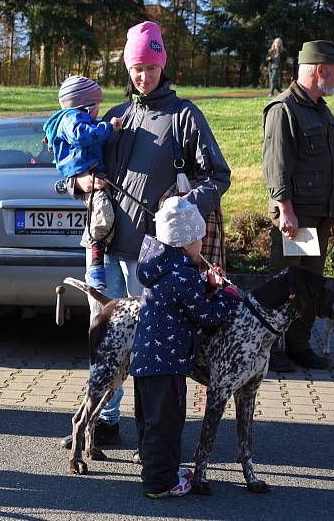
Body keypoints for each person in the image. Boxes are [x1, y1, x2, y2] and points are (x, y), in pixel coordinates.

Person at [62, 21, 232, 449]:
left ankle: (150, 427)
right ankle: (103, 421)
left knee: (149, 344)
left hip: (153, 258)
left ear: (163, 64)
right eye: (136, 67)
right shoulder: (115, 116)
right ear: (127, 66)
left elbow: (218, 176)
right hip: (103, 248)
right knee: (106, 341)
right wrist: (77, 184)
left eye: (150, 67)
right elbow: (68, 168)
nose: (143, 76)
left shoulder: (184, 115)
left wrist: (186, 207)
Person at [129, 196, 241, 499]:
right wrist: (228, 295)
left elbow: (179, 295)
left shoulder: (162, 265)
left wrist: (205, 281)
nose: (202, 244)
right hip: (168, 362)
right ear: (185, 240)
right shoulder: (183, 273)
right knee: (166, 424)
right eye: (199, 238)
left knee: (151, 421)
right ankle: (159, 483)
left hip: (146, 360)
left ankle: (158, 471)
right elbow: (206, 316)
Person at [263, 40, 334, 373]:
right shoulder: (283, 109)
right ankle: (271, 348)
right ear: (321, 70)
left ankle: (298, 345)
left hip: (320, 213)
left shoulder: (320, 108)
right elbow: (276, 164)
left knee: (311, 286)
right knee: (285, 286)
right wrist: (285, 208)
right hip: (296, 215)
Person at [43, 75, 122, 290]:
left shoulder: (74, 117)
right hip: (87, 173)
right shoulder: (72, 119)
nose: (98, 110)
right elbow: (81, 136)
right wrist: (108, 127)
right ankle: (96, 266)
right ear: (84, 105)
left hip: (92, 173)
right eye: (96, 105)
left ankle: (97, 262)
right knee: (103, 216)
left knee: (102, 215)